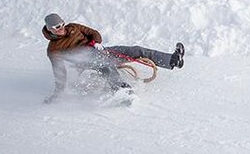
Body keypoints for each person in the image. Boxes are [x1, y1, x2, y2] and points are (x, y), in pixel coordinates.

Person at [41, 12, 185, 103]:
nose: (62, 28)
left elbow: (93, 33)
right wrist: (58, 92)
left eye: (62, 24)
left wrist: (95, 42)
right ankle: (122, 91)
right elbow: (59, 71)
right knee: (105, 66)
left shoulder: (73, 27)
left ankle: (172, 60)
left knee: (135, 50)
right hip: (85, 63)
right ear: (49, 29)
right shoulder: (54, 49)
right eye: (57, 27)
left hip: (99, 50)